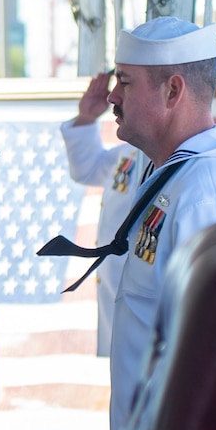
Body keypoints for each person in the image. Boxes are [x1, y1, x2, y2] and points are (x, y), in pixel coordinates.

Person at [40, 19, 216, 430]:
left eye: (125, 82)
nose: (112, 95)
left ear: (172, 91)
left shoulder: (209, 192)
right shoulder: (176, 175)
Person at [60, 72, 150, 358]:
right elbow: (86, 169)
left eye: (125, 81)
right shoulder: (128, 156)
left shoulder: (181, 164)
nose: (113, 95)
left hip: (147, 330)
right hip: (119, 309)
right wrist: (86, 118)